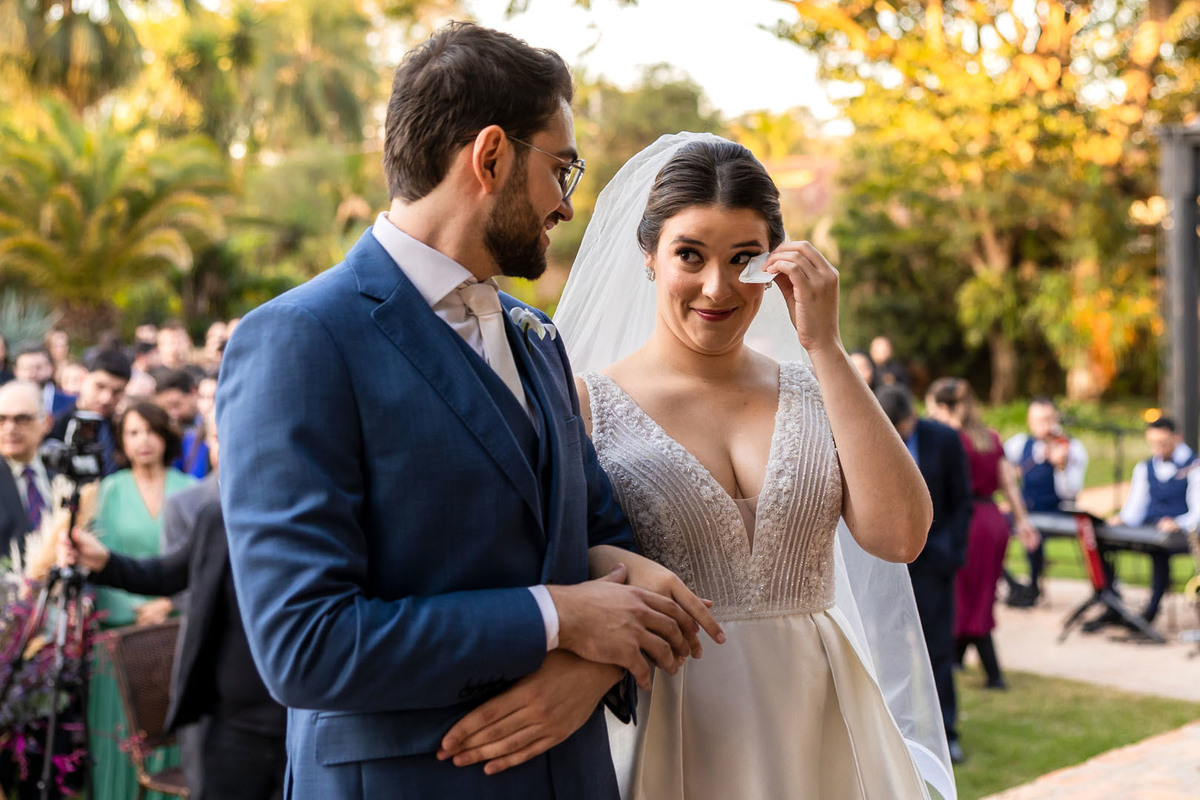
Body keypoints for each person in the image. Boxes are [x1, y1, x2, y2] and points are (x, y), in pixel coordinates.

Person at [216, 23, 713, 800]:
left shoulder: (536, 335)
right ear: (490, 156)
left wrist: (587, 667)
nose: (565, 203)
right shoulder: (300, 339)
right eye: (561, 168)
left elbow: (598, 533)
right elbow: (304, 645)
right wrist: (555, 618)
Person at [550, 134, 956, 799]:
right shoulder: (584, 403)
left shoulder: (812, 387)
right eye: (690, 255)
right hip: (678, 723)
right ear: (650, 256)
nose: (719, 286)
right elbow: (552, 559)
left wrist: (824, 344)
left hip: (823, 720)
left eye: (745, 259)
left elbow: (900, 535)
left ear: (777, 264)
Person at [61, 412, 287, 800]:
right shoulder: (219, 516)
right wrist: (105, 562)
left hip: (294, 718)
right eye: (218, 439)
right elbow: (168, 573)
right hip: (224, 725)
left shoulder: (320, 518)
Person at [86, 400, 196, 800]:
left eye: (150, 430)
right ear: (121, 441)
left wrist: (169, 602)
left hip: (178, 634)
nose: (143, 440)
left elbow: (203, 564)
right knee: (122, 740)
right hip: (118, 635)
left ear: (165, 436)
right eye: (132, 432)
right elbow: (97, 561)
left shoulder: (192, 490)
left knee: (174, 735)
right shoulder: (103, 493)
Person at [878, 383, 971, 765]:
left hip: (935, 565)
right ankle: (895, 730)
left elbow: (962, 501)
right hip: (887, 566)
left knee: (937, 651)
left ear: (911, 418)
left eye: (900, 429)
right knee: (888, 650)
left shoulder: (945, 440)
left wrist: (949, 551)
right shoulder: (872, 434)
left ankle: (946, 733)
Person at [926, 378, 1039, 690]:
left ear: (943, 407)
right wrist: (1024, 522)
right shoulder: (990, 437)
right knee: (978, 595)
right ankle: (959, 661)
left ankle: (990, 673)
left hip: (966, 522)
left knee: (965, 598)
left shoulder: (949, 440)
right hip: (993, 522)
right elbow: (1009, 485)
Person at [1085, 417, 1198, 632]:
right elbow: (1135, 509)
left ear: (1177, 437)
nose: (1157, 448)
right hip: (1150, 530)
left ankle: (1150, 613)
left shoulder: (1194, 465)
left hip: (1182, 535)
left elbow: (1198, 512)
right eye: (1153, 443)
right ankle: (1111, 602)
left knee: (1159, 551)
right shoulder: (1144, 467)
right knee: (1098, 542)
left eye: (1163, 443)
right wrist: (1122, 519)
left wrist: (1178, 523)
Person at [1003, 397, 1088, 605]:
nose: (1045, 426)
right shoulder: (1019, 444)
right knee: (988, 527)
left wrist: (1061, 467)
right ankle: (1014, 585)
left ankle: (1033, 587)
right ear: (1030, 421)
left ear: (1056, 419)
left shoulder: (1072, 448)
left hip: (1055, 511)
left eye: (1049, 420)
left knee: (1032, 529)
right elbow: (1000, 468)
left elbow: (1071, 492)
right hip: (1025, 509)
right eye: (1039, 420)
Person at [48, 348, 131, 476]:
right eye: (100, 386)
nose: (106, 398)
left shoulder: (123, 430)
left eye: (117, 392)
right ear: (83, 379)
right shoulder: (57, 427)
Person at [0, 381, 53, 561]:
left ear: (46, 422)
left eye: (22, 419)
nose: (10, 428)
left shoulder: (61, 471)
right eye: (1, 419)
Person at [13, 344, 74, 417]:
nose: (32, 374)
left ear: (51, 369)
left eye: (38, 368)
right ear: (16, 371)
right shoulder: (5, 404)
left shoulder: (71, 404)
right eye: (26, 368)